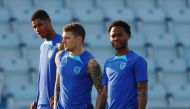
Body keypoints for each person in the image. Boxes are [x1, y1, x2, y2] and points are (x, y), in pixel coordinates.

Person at [98, 20, 148, 109]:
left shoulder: (137, 60)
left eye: (119, 35)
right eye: (113, 36)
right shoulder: (108, 62)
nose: (116, 38)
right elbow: (104, 93)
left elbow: (142, 91)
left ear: (128, 36)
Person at [53, 23, 102, 109]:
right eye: (63, 38)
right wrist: (54, 107)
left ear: (79, 39)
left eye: (67, 38)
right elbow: (57, 85)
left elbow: (102, 92)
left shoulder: (91, 63)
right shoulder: (59, 56)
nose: (63, 41)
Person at [30, 9, 63, 109]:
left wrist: (60, 100)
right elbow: (42, 77)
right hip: (41, 104)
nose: (37, 29)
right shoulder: (42, 46)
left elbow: (66, 74)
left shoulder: (62, 43)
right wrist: (38, 100)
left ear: (48, 21)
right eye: (34, 27)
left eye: (39, 25)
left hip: (55, 104)